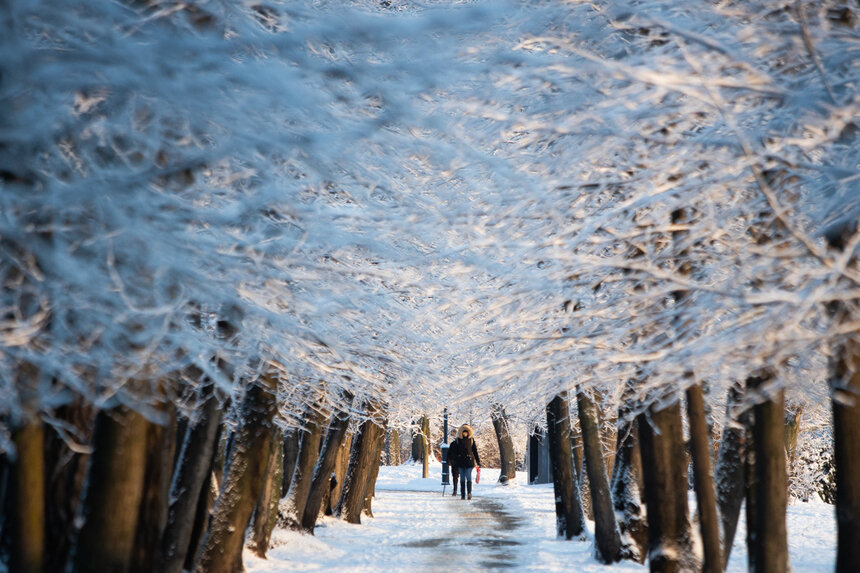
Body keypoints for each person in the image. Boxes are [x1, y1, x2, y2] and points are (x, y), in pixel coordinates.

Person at [453, 424, 481, 500]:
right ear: (461, 432)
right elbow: (455, 452)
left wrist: (478, 461)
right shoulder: (458, 440)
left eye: (466, 432)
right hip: (460, 462)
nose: (464, 434)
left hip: (469, 462)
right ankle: (462, 494)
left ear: (468, 433)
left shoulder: (471, 440)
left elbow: (475, 451)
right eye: (463, 432)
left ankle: (469, 493)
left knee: (468, 477)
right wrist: (454, 461)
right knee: (462, 479)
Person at [447, 429, 460, 496]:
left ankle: (455, 490)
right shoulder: (453, 444)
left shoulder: (453, 444)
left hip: (455, 462)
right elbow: (449, 453)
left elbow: (449, 453)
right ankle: (455, 490)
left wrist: (448, 460)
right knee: (455, 477)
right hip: (455, 462)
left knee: (455, 477)